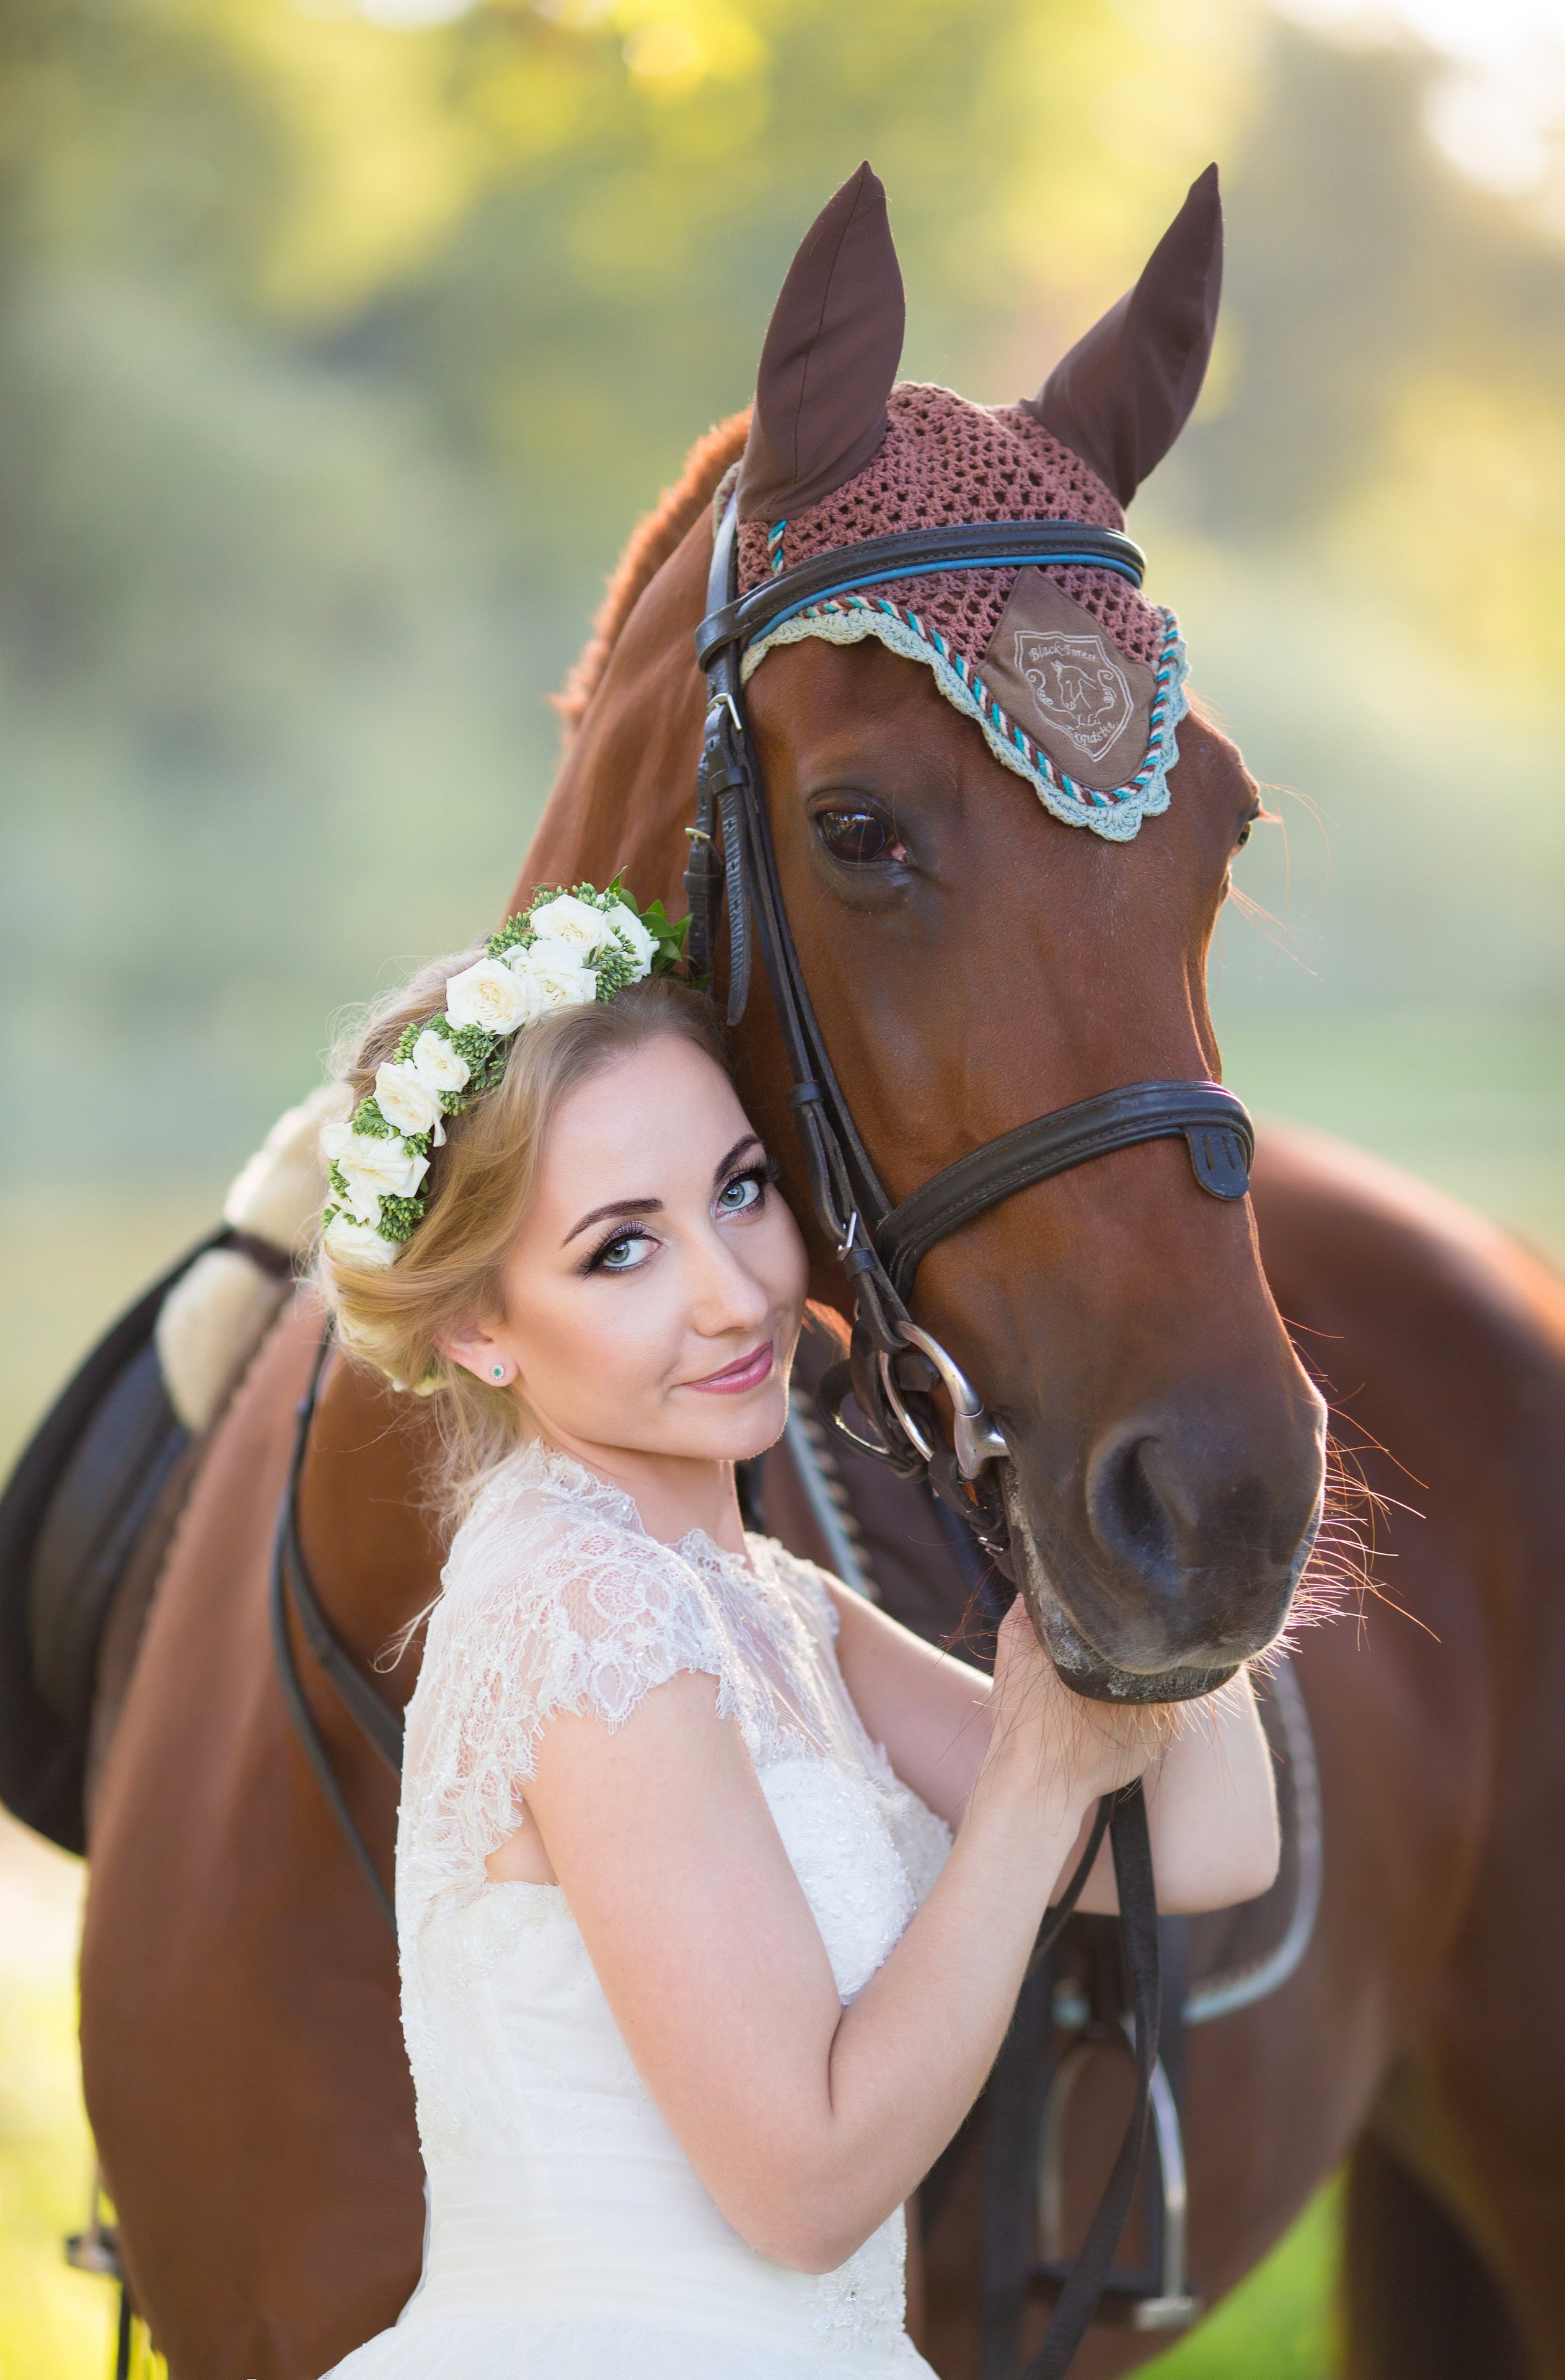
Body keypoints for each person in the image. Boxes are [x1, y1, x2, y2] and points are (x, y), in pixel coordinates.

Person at [314, 883, 1280, 2379]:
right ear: (477, 1325)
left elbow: (1210, 1839)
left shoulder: (767, 1602)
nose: (736, 1293)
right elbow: (803, 2189)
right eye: (618, 1252)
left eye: (742, 1190)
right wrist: (1029, 1784)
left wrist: (1133, 1475)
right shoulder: (591, 1610)